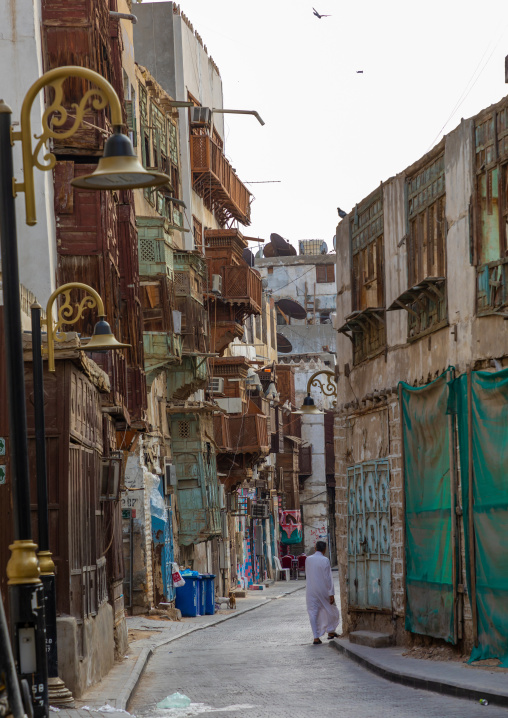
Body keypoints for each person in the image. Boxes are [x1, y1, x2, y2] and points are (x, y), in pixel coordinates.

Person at [305, 541, 340, 644]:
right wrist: (331, 593)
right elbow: (328, 578)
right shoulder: (325, 560)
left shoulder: (308, 559)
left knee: (313, 613)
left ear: (315, 548)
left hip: (311, 590)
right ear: (325, 549)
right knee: (331, 609)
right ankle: (330, 630)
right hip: (323, 590)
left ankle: (316, 637)